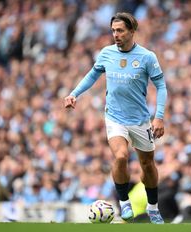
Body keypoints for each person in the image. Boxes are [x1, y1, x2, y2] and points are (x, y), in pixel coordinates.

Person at [64, 12, 167, 224]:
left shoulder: (147, 57)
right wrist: (74, 93)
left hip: (140, 120)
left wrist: (159, 117)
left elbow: (161, 86)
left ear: (132, 31)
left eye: (120, 30)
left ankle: (153, 207)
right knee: (120, 156)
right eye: (113, 30)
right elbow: (93, 75)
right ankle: (123, 202)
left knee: (147, 166)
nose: (115, 35)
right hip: (114, 118)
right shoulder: (106, 53)